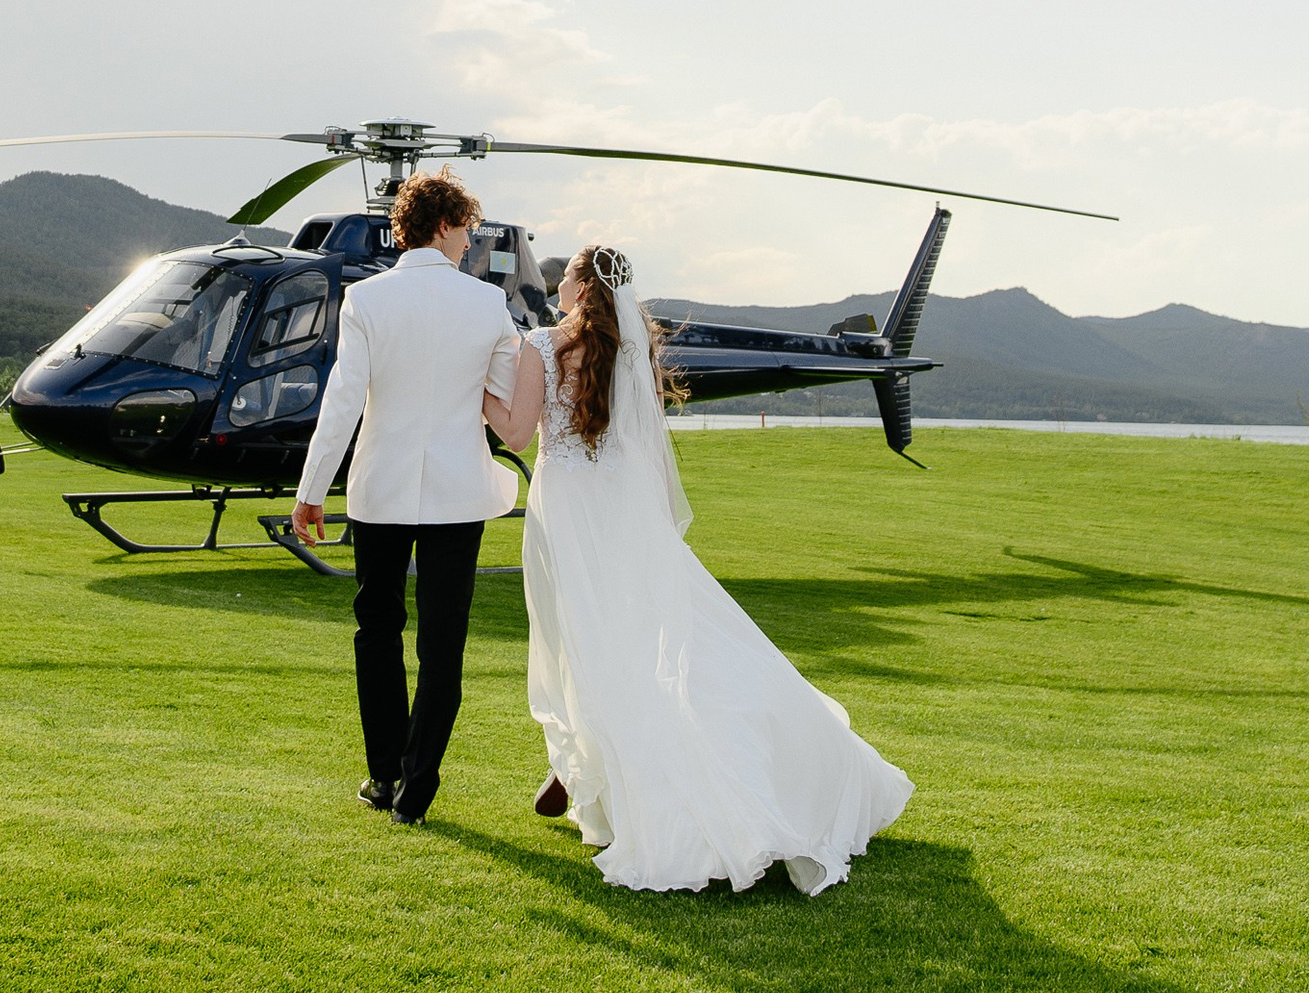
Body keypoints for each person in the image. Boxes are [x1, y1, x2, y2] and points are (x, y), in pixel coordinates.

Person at [491, 243, 911, 895]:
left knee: (586, 640)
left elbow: (517, 434)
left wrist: (477, 397)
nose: (558, 285)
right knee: (645, 634)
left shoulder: (541, 346)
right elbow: (646, 442)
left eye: (566, 276)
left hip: (571, 507)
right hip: (627, 505)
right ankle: (587, 767)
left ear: (582, 287)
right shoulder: (633, 351)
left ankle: (593, 767)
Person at [292, 167, 521, 824]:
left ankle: (384, 775)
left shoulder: (367, 300)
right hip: (459, 493)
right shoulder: (485, 303)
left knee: (378, 631)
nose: (469, 246)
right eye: (467, 232)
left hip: (379, 491)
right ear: (446, 224)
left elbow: (341, 405)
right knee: (442, 645)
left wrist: (311, 493)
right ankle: (414, 793)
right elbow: (500, 400)